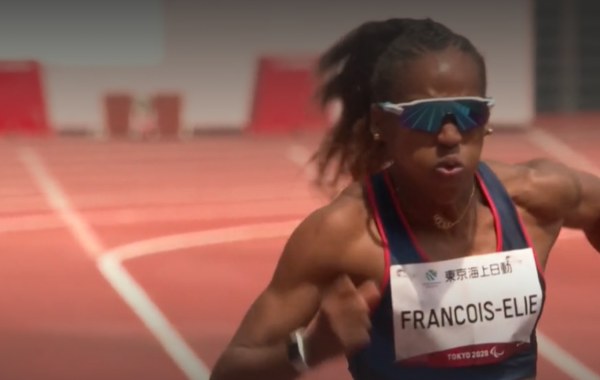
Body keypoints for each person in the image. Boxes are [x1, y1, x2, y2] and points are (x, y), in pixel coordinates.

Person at [209, 18, 600, 380]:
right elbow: (230, 369)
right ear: (382, 124)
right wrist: (311, 349)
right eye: (425, 116)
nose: (449, 136)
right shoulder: (342, 236)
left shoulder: (536, 199)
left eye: (469, 113)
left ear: (487, 120)